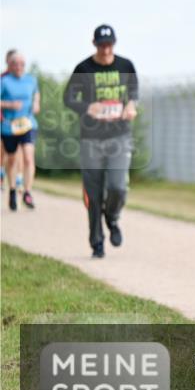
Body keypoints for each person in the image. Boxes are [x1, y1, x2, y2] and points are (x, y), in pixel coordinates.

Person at [62, 24, 139, 258]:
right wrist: (87, 107)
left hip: (119, 135)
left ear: (114, 43)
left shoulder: (126, 66)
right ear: (94, 44)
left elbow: (134, 93)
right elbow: (68, 98)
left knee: (118, 187)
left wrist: (131, 106)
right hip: (91, 139)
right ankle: (97, 242)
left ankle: (112, 218)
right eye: (101, 45)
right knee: (93, 195)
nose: (106, 50)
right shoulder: (83, 68)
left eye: (109, 45)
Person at [1, 52, 40, 210]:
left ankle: (27, 192)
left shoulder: (31, 80)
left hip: (28, 123)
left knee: (28, 157)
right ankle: (12, 191)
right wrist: (9, 105)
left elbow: (36, 94)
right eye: (15, 64)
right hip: (9, 126)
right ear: (10, 65)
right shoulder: (4, 81)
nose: (19, 67)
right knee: (11, 160)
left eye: (22, 64)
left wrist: (36, 103)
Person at [1, 49, 26, 196]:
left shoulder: (24, 79)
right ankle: (2, 173)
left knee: (22, 150)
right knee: (4, 150)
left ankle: (19, 179)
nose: (16, 65)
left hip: (20, 121)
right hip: (4, 120)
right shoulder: (3, 79)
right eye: (13, 62)